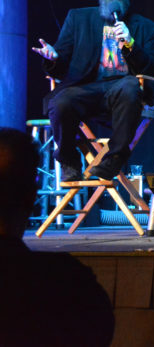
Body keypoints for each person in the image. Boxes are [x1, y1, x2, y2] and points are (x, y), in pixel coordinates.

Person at [32, 0, 154, 181]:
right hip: (84, 89)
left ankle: (113, 159)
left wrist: (131, 43)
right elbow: (62, 60)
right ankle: (68, 160)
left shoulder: (147, 28)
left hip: (121, 93)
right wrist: (53, 58)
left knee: (130, 86)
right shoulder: (78, 18)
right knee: (61, 102)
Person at [0, 127, 114, 345]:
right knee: (60, 104)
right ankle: (72, 165)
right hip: (75, 107)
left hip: (109, 107)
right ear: (32, 195)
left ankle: (111, 159)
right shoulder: (72, 286)